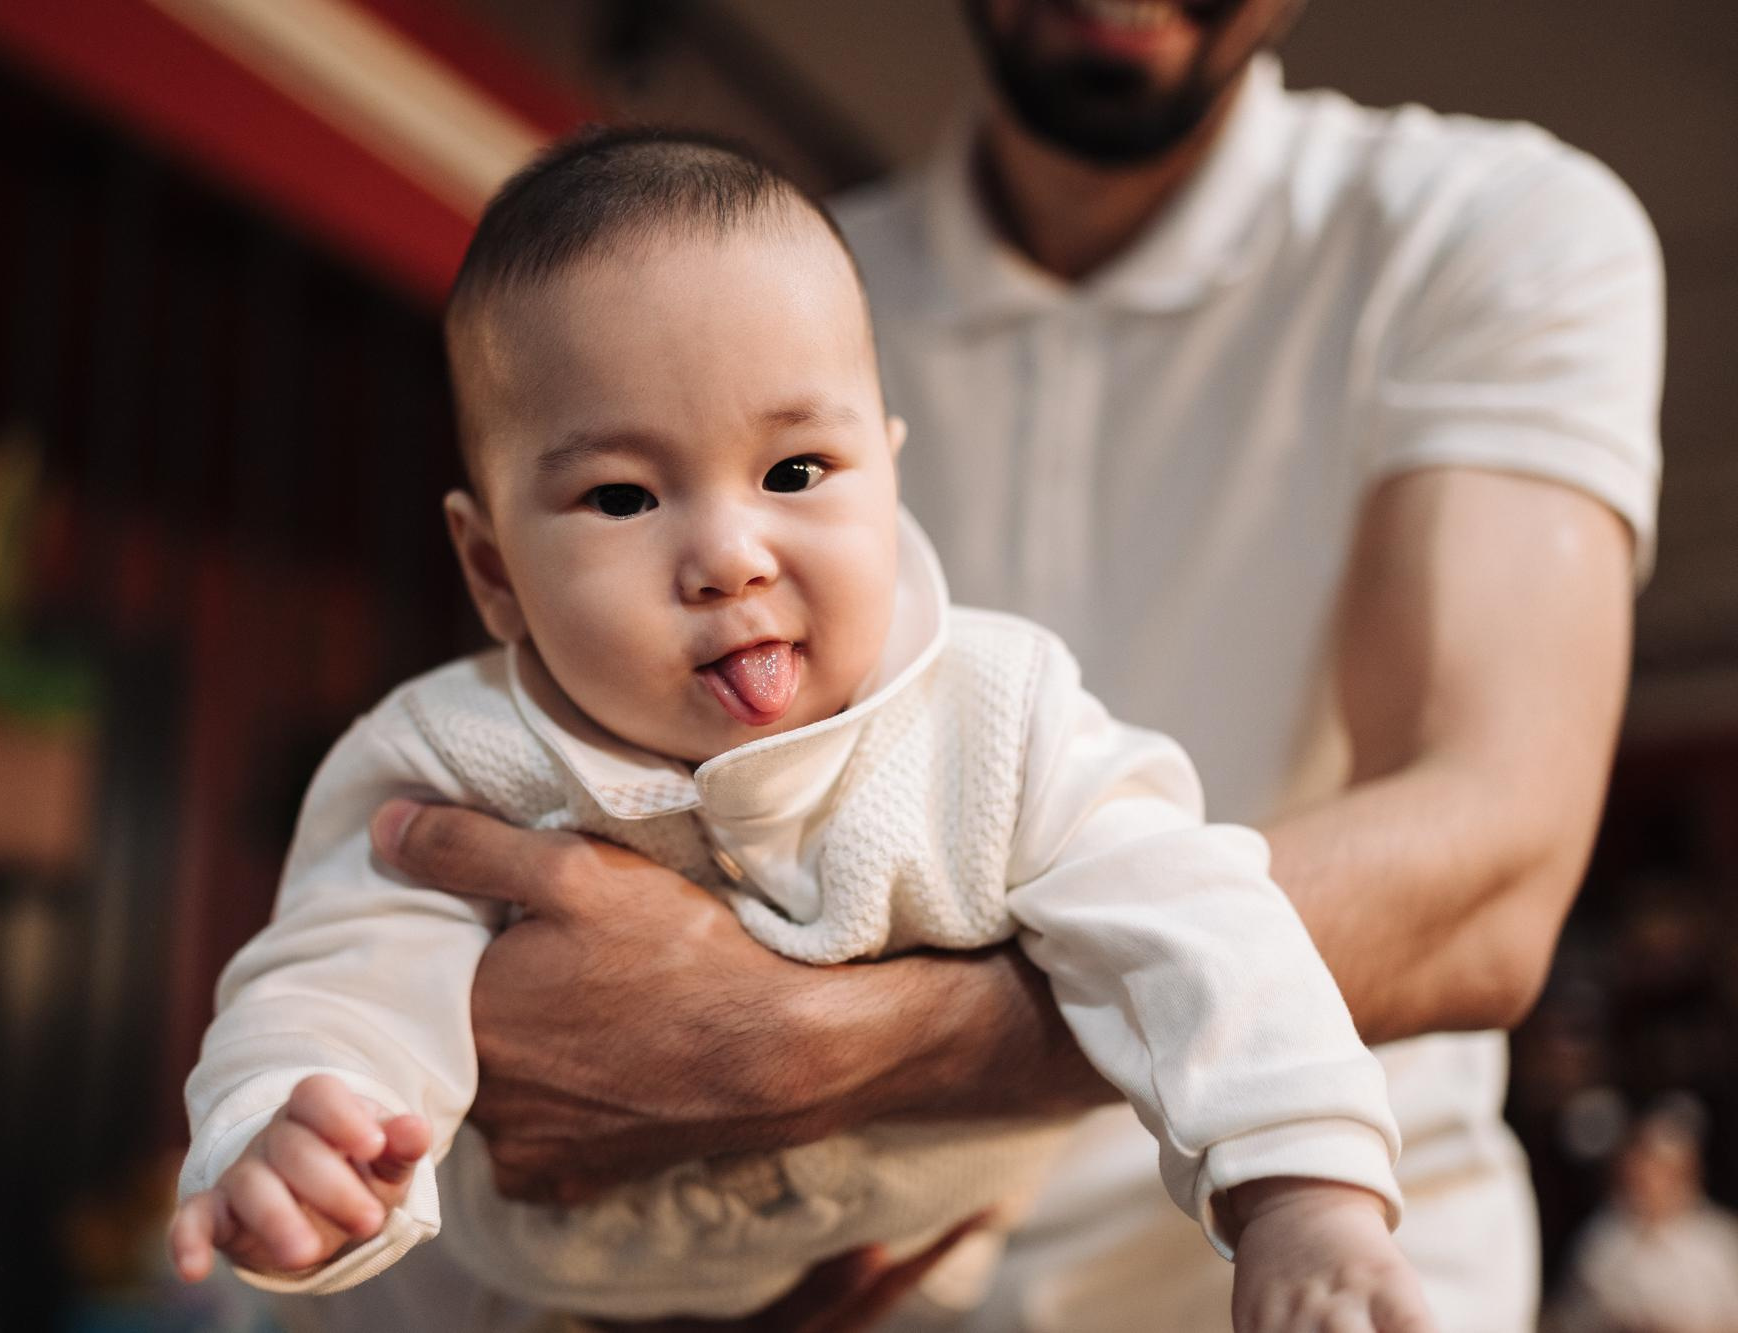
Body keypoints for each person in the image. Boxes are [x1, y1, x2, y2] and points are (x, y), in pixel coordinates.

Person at [340, 2, 1664, 1331]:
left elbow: (1488, 875)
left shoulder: (1480, 228)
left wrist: (816, 1051)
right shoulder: (752, 293)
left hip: (1311, 1260)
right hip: (812, 1277)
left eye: (795, 473)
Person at [170, 129, 1433, 1331]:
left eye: (793, 473)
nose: (729, 556)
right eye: (622, 496)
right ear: (492, 568)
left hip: (917, 1266)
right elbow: (341, 969)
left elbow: (1193, 924)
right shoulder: (456, 759)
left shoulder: (995, 721)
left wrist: (1301, 1194)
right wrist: (291, 1130)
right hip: (552, 1294)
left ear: (887, 474)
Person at [1549, 1107, 1738, 1333]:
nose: (1649, 1182)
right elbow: (1570, 1317)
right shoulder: (1599, 1240)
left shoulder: (1719, 1241)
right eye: (1641, 1170)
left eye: (1661, 1172)